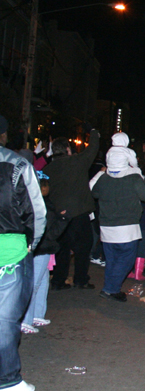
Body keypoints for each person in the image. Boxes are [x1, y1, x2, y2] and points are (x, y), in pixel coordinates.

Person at [0, 114, 46, 391]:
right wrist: (31, 245)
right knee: (5, 320)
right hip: (10, 252)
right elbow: (36, 212)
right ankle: (7, 381)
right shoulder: (16, 164)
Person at [90, 156, 145, 302]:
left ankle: (111, 288)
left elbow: (94, 192)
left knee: (112, 261)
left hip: (107, 227)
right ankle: (110, 289)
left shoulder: (104, 178)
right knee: (126, 260)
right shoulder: (133, 178)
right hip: (126, 228)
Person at [43, 128, 100, 290]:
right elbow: (92, 149)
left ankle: (58, 280)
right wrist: (94, 133)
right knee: (84, 247)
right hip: (79, 213)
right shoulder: (77, 162)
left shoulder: (48, 169)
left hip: (58, 216)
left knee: (62, 248)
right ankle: (80, 279)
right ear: (68, 149)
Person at [21, 173, 68, 334]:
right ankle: (26, 319)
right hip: (42, 247)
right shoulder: (43, 206)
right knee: (34, 283)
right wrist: (63, 220)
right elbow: (50, 232)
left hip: (42, 248)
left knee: (42, 281)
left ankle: (37, 314)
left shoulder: (36, 203)